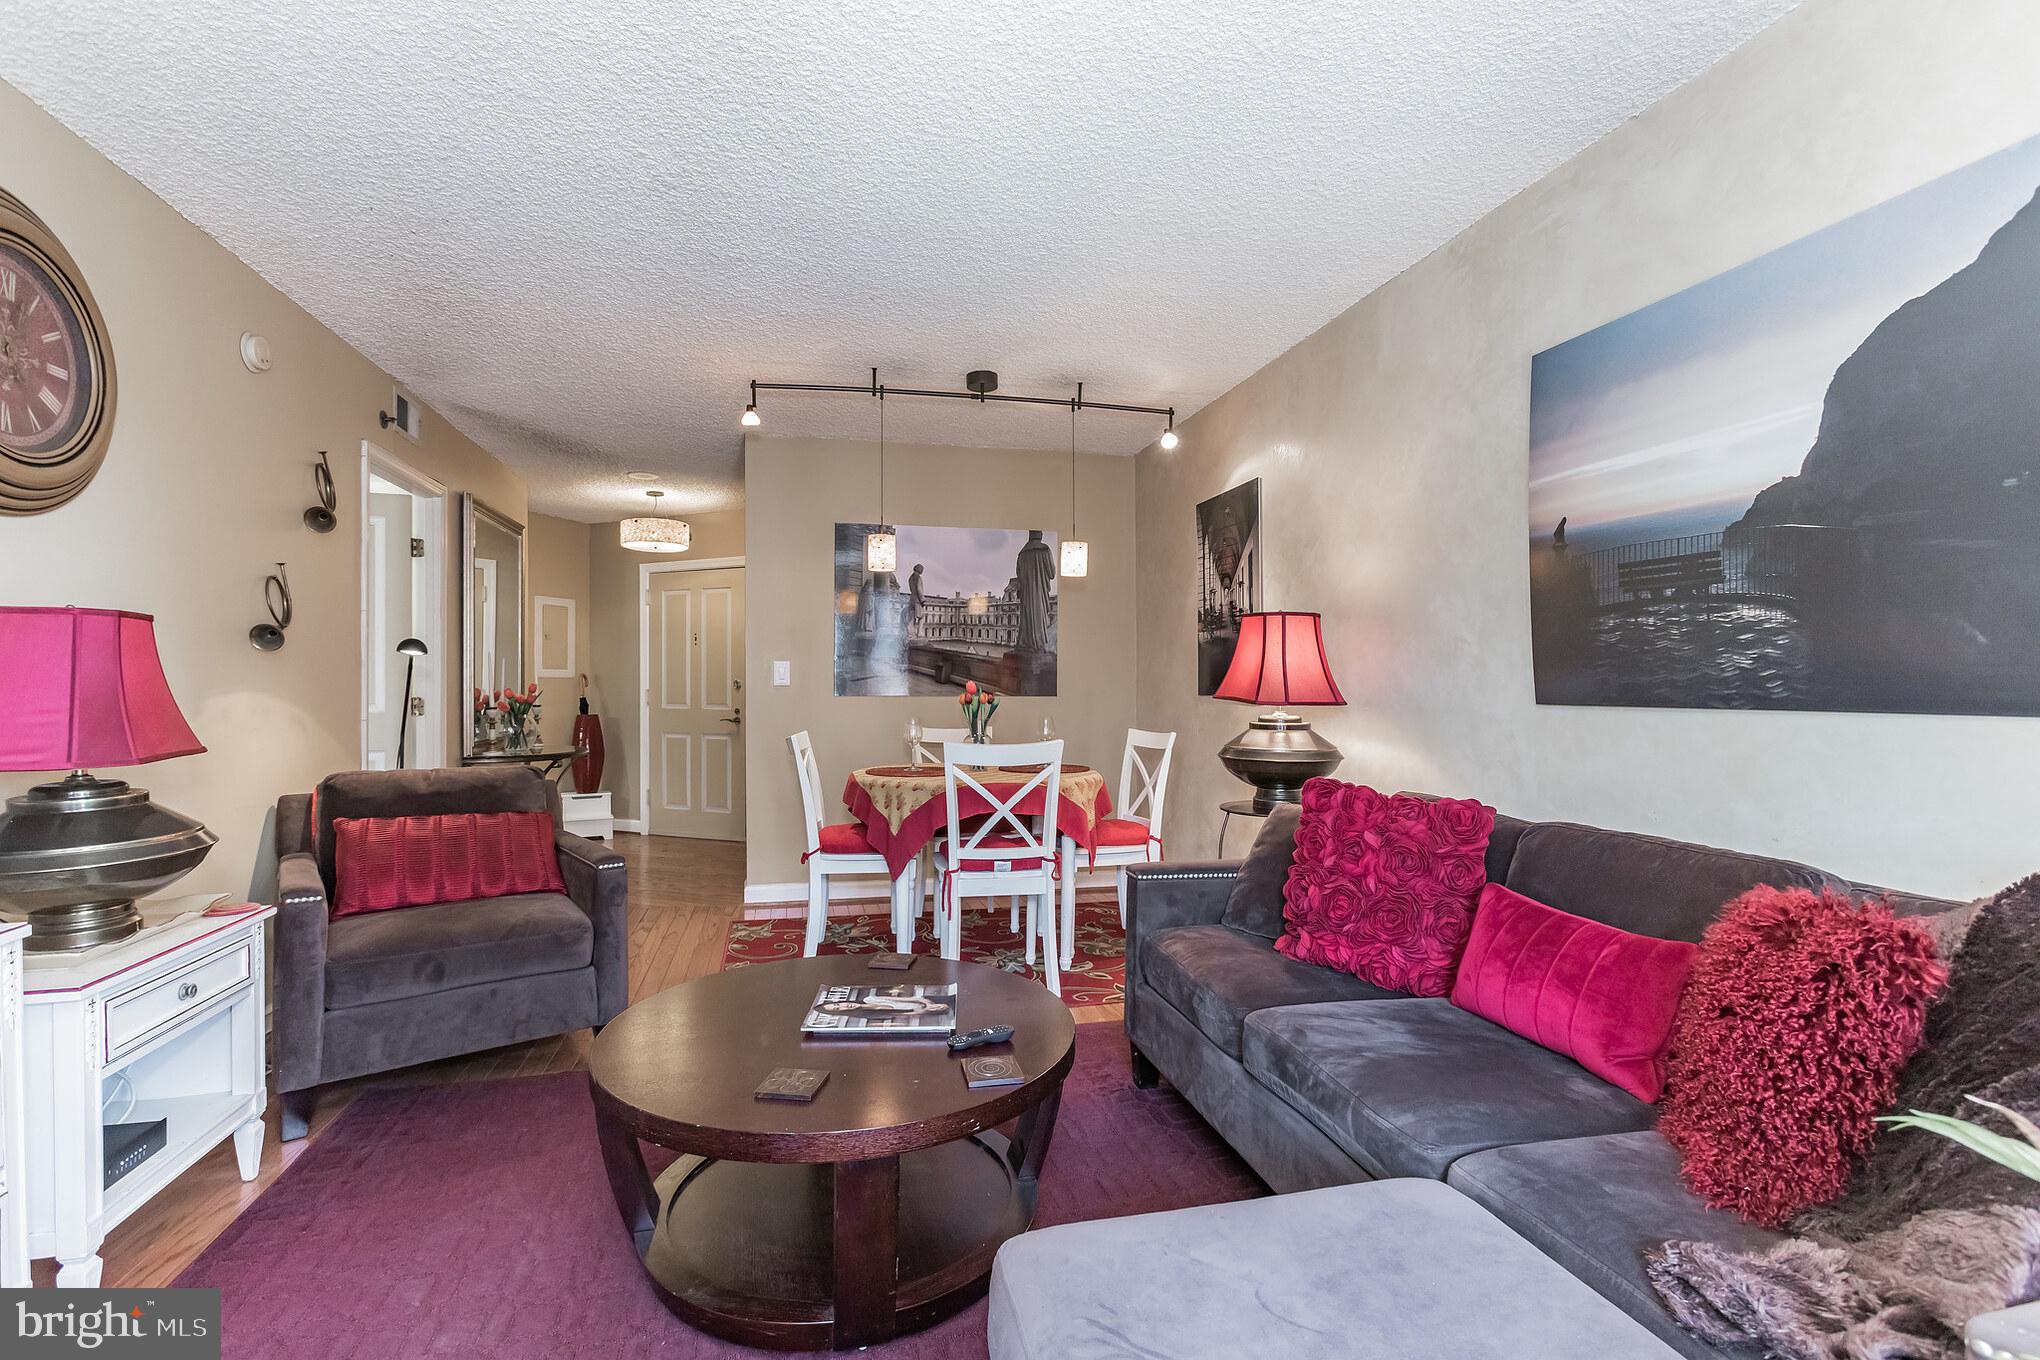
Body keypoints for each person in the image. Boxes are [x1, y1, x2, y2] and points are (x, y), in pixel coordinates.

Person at [1014, 529, 1055, 652]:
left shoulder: (1022, 554)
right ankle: (1038, 642)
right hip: (1039, 592)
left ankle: (1026, 641)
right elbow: (1052, 573)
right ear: (1040, 535)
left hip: (1026, 593)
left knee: (1027, 616)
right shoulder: (1045, 550)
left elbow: (1019, 575)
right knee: (1038, 615)